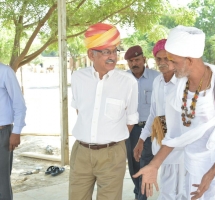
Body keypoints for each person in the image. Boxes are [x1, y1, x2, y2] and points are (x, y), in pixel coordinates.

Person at [133, 25, 215, 200]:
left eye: (174, 61)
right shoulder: (180, 88)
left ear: (189, 60)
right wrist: (154, 164)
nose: (170, 66)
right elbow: (174, 135)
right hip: (190, 168)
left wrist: (210, 174)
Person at [69, 23, 139, 200]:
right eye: (106, 52)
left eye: (115, 51)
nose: (112, 57)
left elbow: (131, 120)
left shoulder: (128, 82)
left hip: (112, 154)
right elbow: (81, 111)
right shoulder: (78, 78)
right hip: (81, 153)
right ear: (91, 54)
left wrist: (110, 140)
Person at [133, 39, 186, 200]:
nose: (162, 63)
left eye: (167, 59)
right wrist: (141, 139)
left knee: (185, 192)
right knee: (167, 192)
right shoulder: (158, 82)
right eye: (159, 59)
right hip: (163, 147)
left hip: (183, 149)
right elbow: (154, 114)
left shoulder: (184, 83)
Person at [125, 45, 160, 200]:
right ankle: (138, 191)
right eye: (131, 61)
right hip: (129, 130)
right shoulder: (122, 79)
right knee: (133, 165)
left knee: (145, 163)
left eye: (137, 59)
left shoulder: (156, 78)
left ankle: (141, 196)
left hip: (150, 129)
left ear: (144, 59)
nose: (134, 63)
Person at [0, 63, 26, 200]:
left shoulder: (5, 72)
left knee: (1, 182)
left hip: (2, 133)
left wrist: (16, 131)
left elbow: (19, 104)